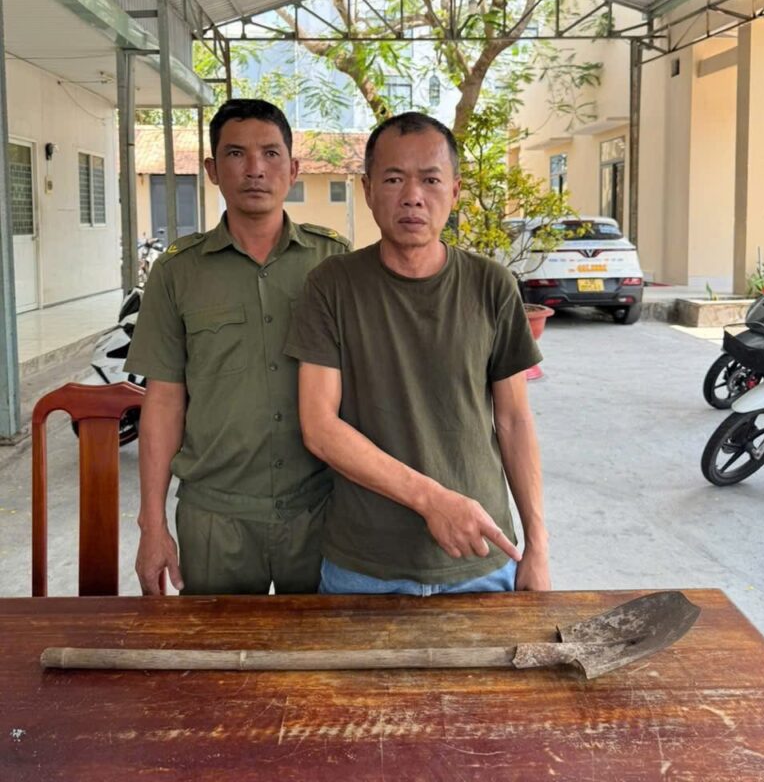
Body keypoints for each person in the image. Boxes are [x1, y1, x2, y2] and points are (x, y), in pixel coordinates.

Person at [285, 111, 550, 595]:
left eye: (430, 179)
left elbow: (514, 421)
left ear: (455, 191)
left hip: (481, 558)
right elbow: (319, 427)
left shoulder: (491, 285)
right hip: (364, 566)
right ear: (367, 190)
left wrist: (538, 544)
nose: (412, 196)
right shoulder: (332, 286)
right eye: (393, 179)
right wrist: (433, 500)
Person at [125, 99, 349, 596]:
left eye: (270, 153)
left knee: (322, 645)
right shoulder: (177, 271)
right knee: (214, 644)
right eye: (235, 154)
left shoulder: (334, 262)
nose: (254, 169)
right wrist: (152, 524)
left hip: (320, 507)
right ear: (211, 170)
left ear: (293, 168)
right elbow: (163, 400)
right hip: (214, 516)